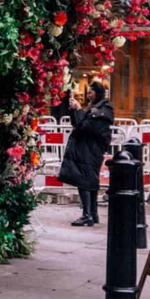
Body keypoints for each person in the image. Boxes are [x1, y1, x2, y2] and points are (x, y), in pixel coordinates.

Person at [57, 81, 114, 227]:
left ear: (99, 92)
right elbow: (78, 124)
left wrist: (78, 110)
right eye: (88, 92)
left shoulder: (104, 109)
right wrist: (74, 110)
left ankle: (87, 215)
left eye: (91, 92)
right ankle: (92, 214)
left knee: (84, 181)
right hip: (86, 149)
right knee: (89, 180)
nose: (89, 95)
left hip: (91, 150)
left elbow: (85, 127)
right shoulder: (95, 108)